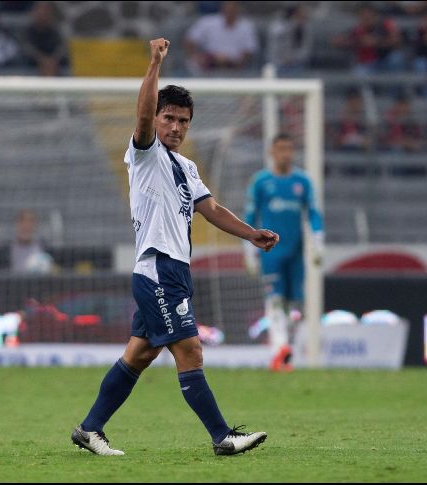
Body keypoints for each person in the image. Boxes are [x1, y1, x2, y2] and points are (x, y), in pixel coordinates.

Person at [71, 38, 278, 457]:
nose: (176, 127)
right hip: (157, 268)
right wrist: (153, 65)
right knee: (190, 349)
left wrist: (250, 233)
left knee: (140, 354)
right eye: (169, 118)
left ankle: (89, 429)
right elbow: (143, 114)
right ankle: (222, 437)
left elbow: (211, 208)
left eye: (183, 121)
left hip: (177, 270)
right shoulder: (144, 153)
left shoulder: (186, 166)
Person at [243, 134, 324, 372]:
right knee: (275, 299)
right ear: (271, 152)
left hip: (296, 252)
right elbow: (250, 216)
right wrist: (249, 250)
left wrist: (317, 242)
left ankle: (285, 349)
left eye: (288, 148)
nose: (285, 153)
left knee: (293, 303)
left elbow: (314, 213)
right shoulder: (261, 182)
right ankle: (280, 349)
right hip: (271, 252)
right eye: (280, 149)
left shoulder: (303, 181)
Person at [183, 1, 258, 75]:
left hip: (234, 66)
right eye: (228, 8)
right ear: (223, 8)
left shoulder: (246, 27)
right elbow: (190, 40)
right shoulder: (208, 22)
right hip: (209, 63)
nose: (230, 11)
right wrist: (195, 56)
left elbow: (249, 50)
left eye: (233, 9)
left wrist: (237, 64)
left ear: (237, 10)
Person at [22, 1, 67, 76]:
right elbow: (26, 47)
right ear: (34, 13)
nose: (42, 14)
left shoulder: (56, 30)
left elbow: (62, 47)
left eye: (46, 12)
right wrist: (42, 59)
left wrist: (53, 59)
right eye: (40, 11)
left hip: (54, 63)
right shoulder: (27, 31)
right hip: (33, 63)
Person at [9, 209, 54, 274]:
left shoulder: (44, 247)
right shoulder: (7, 248)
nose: (26, 226)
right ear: (17, 224)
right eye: (22, 221)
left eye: (30, 222)